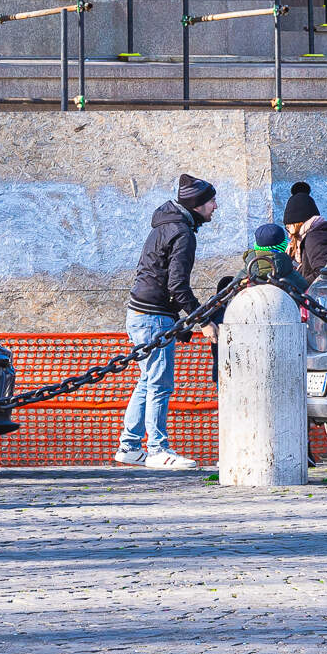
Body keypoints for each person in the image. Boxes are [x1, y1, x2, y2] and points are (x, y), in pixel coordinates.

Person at [116, 173, 216, 471]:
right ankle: (158, 450)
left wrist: (177, 321)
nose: (215, 207)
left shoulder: (164, 225)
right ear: (197, 204)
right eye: (211, 201)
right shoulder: (182, 233)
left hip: (141, 314)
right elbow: (177, 285)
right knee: (159, 384)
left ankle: (129, 447)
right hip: (153, 318)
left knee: (147, 381)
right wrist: (202, 321)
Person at [284, 182, 327, 280]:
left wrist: (297, 284)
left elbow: (322, 274)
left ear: (298, 223)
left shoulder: (314, 238)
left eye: (288, 228)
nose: (289, 235)